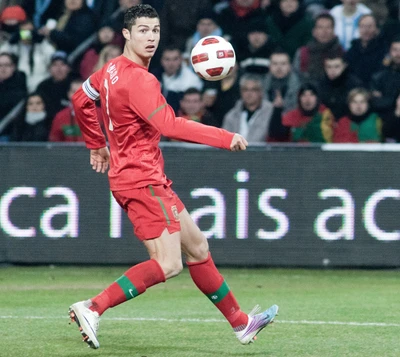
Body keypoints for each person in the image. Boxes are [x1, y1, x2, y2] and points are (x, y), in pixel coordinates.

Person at [68, 4, 278, 350]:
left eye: (155, 30)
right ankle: (93, 307)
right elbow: (170, 126)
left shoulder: (109, 71)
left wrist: (97, 145)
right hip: (142, 179)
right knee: (168, 264)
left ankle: (242, 323)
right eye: (143, 31)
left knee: (197, 248)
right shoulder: (140, 80)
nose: (151, 37)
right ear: (126, 34)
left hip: (136, 176)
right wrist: (224, 137)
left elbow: (80, 99)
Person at [0, 19, 56, 92]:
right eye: (23, 32)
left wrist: (41, 40)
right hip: (19, 87)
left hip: (41, 87)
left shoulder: (42, 46)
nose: (27, 35)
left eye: (29, 32)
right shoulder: (15, 47)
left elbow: (52, 56)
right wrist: (11, 41)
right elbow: (2, 54)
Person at [222, 72, 274, 142]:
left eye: (253, 90)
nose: (249, 93)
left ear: (261, 91)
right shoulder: (231, 116)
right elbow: (225, 141)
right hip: (236, 152)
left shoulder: (271, 113)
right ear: (240, 91)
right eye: (245, 90)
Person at [293, 13, 343, 84]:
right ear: (314, 31)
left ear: (333, 30)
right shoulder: (303, 53)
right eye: (320, 27)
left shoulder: (341, 52)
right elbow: (296, 77)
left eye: (328, 27)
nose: (324, 31)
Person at [345, 14, 387, 87]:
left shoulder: (383, 49)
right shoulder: (353, 49)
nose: (366, 30)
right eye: (362, 26)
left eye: (369, 26)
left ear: (376, 28)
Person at [318, 53, 363, 120]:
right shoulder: (320, 84)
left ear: (344, 66)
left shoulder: (355, 85)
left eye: (337, 66)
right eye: (329, 67)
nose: (332, 70)